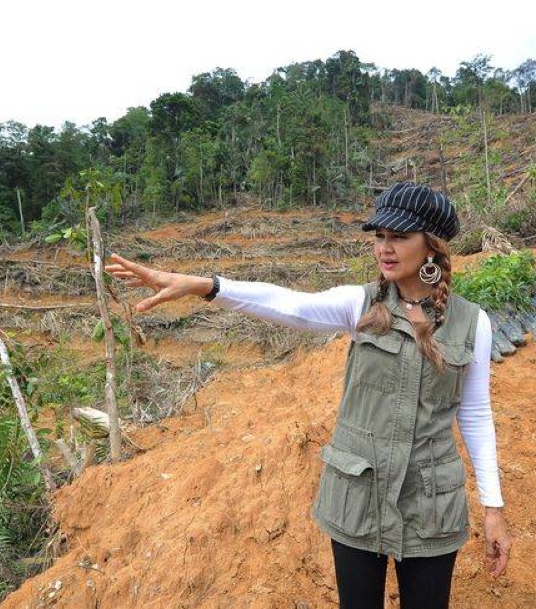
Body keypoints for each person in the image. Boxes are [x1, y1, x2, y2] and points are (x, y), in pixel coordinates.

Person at [104, 182, 511, 609]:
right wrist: (206, 286)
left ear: (431, 247)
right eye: (379, 237)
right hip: (358, 492)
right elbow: (291, 305)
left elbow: (476, 414)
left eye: (399, 237)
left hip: (432, 500)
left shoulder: (472, 322)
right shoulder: (361, 306)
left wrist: (493, 508)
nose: (384, 249)